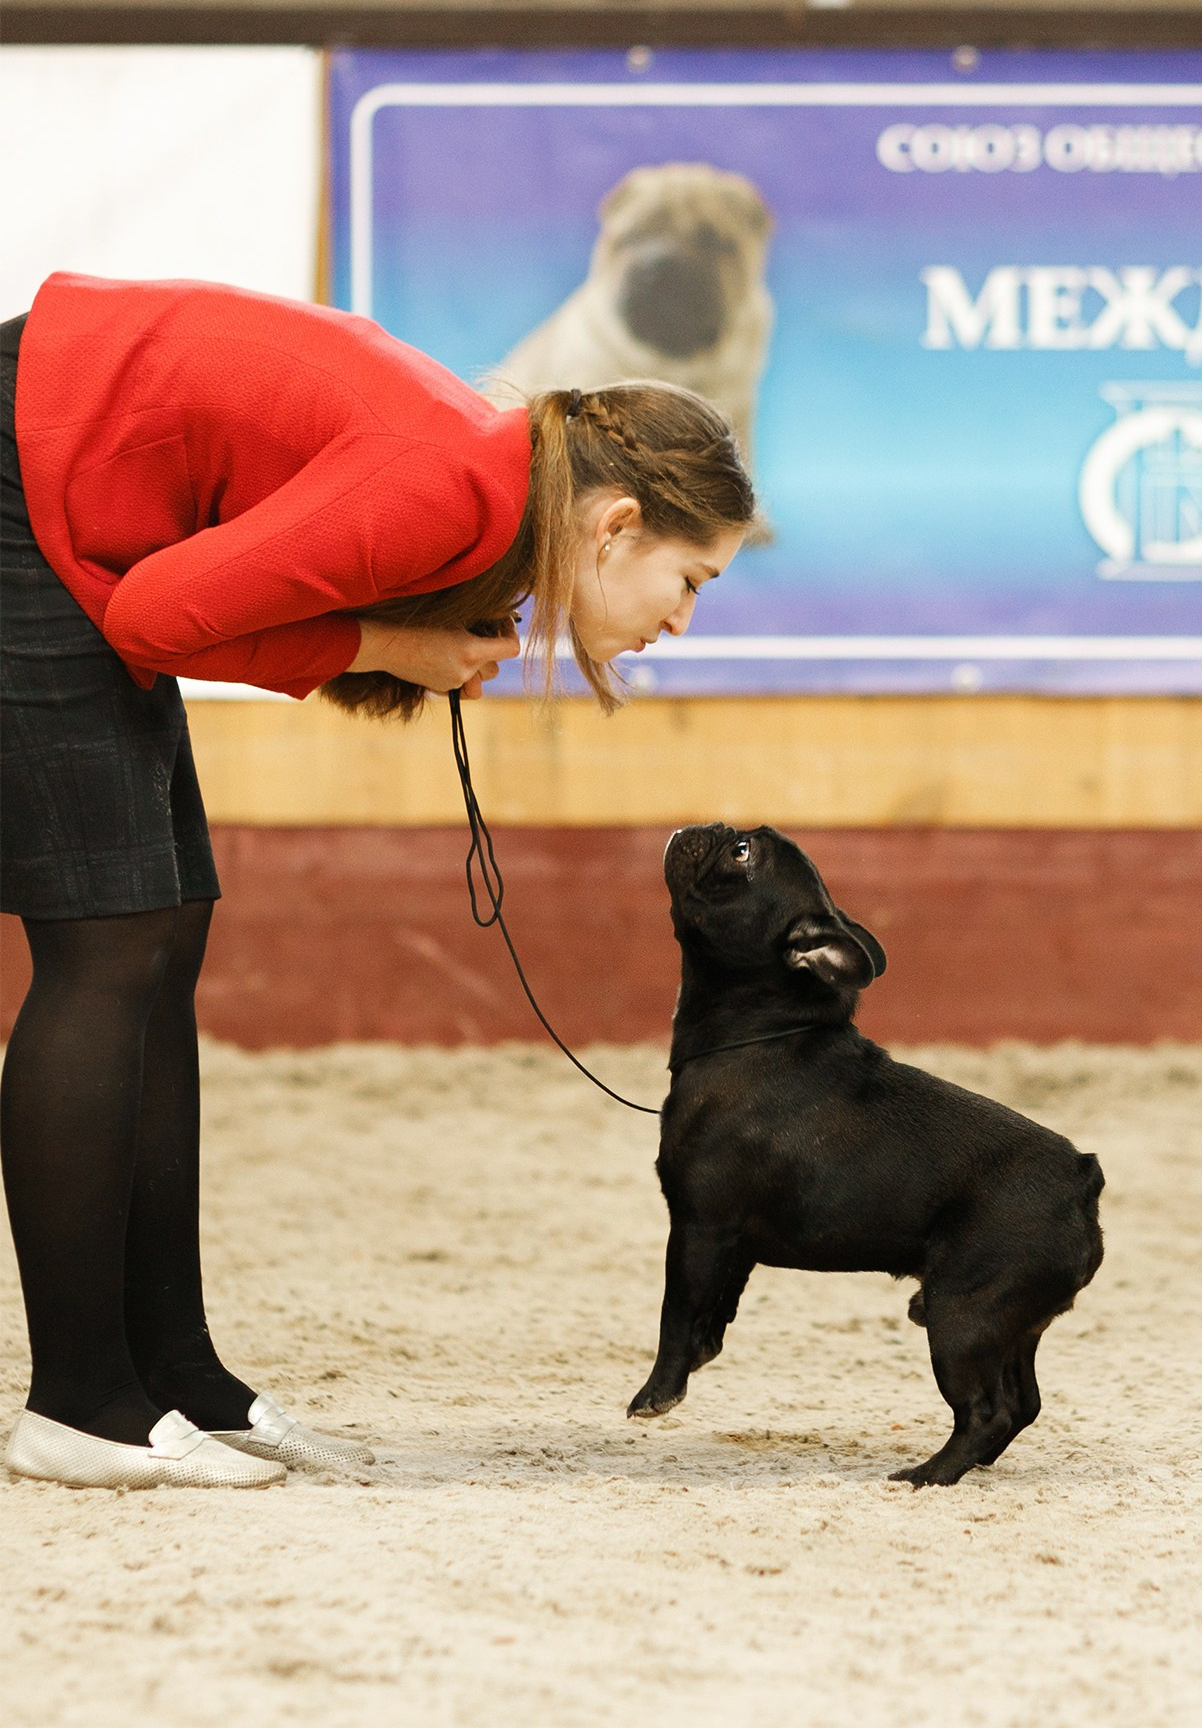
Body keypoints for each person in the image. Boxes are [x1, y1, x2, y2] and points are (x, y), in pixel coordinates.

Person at [0, 274, 754, 1489]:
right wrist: (380, 644)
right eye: (690, 582)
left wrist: (384, 645)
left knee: (164, 923)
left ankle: (177, 1372)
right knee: (109, 939)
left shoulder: (484, 489)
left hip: (60, 459)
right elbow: (152, 617)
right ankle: (80, 1404)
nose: (681, 620)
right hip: (21, 471)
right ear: (613, 526)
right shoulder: (448, 484)